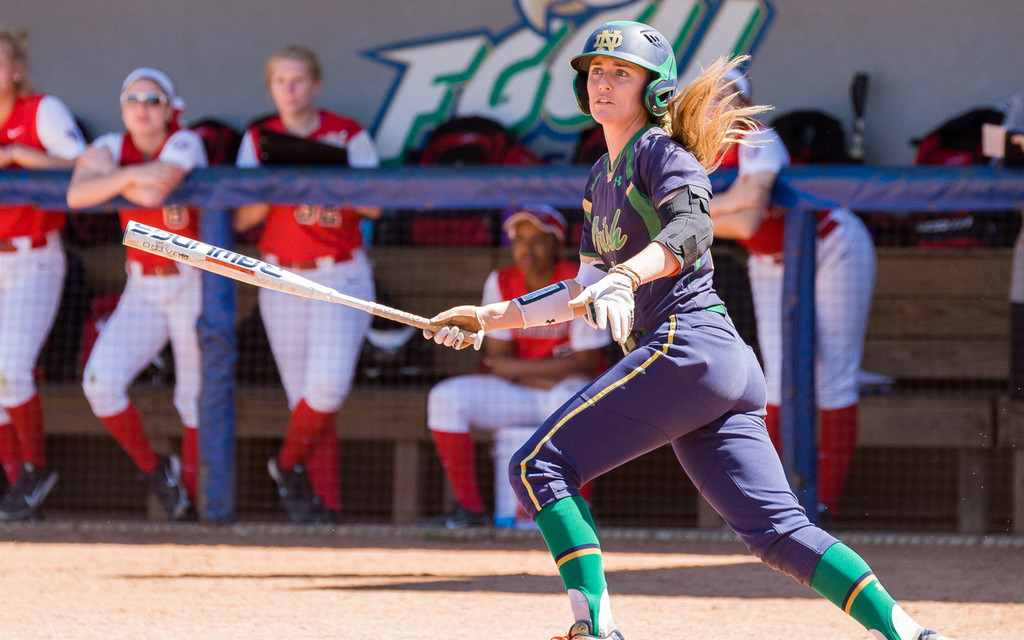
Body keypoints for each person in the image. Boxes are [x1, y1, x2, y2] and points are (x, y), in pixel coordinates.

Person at [422, 20, 955, 640]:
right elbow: (580, 288)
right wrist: (491, 317)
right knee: (778, 534)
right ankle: (912, 634)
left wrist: (625, 279)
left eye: (621, 72)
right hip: (713, 364)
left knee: (539, 467)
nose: (603, 82)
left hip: (686, 347)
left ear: (653, 90)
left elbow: (691, 231)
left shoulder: (660, 152)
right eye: (596, 70)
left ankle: (593, 628)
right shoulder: (602, 175)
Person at [708, 67, 877, 521]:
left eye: (730, 98)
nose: (720, 106)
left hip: (831, 243)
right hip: (771, 259)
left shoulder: (758, 139)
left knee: (833, 377)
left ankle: (825, 506)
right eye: (710, 97)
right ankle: (779, 507)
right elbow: (736, 216)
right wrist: (725, 204)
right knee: (776, 377)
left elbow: (745, 221)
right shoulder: (691, 152)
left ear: (746, 104)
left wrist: (684, 213)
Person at [234, 45, 381, 525]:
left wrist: (322, 175)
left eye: (299, 80)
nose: (290, 90)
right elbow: (242, 217)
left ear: (316, 85)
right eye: (281, 81)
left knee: (327, 387)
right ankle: (321, 507)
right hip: (281, 276)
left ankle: (286, 464)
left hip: (339, 271)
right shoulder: (259, 138)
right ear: (270, 87)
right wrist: (280, 182)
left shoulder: (347, 133)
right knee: (304, 398)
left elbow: (377, 205)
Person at [66, 66, 208, 521]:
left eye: (153, 101)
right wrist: (131, 174)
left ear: (170, 108)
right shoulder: (111, 145)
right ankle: (155, 472)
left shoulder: (187, 141)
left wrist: (115, 177)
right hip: (141, 286)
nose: (142, 109)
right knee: (100, 383)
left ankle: (193, 501)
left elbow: (154, 192)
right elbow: (75, 196)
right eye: (133, 100)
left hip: (190, 280)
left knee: (194, 396)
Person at [424, 205, 609, 529]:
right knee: (444, 398)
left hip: (567, 396)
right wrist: (542, 370)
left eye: (537, 239)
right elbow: (497, 360)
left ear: (557, 241)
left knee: (568, 397)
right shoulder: (502, 280)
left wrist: (520, 370)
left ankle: (580, 511)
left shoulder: (580, 280)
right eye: (520, 239)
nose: (527, 247)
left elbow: (584, 363)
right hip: (523, 394)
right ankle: (470, 510)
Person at [0, 27, 87, 521]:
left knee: (11, 370)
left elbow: (85, 166)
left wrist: (17, 157)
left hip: (33, 255)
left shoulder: (42, 110)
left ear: (16, 69)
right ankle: (21, 492)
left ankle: (35, 467)